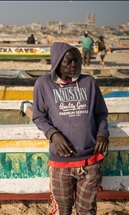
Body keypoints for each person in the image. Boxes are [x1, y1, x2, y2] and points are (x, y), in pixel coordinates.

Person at [32, 42, 109, 215]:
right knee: (63, 210)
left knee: (87, 210)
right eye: (68, 62)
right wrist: (53, 134)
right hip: (61, 163)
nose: (74, 65)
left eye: (76, 61)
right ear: (57, 62)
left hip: (90, 162)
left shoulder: (89, 82)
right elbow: (39, 116)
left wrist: (103, 134)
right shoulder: (43, 84)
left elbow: (101, 114)